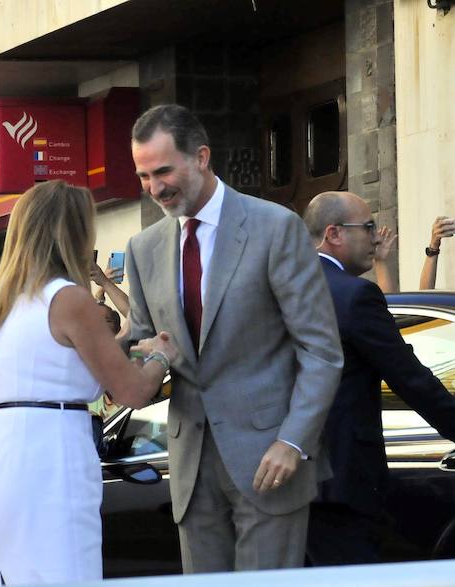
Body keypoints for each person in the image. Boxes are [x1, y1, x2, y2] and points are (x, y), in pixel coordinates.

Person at [125, 104, 343, 573]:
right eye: (143, 176)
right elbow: (145, 346)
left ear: (201, 156)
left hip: (270, 457)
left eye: (163, 171)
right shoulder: (144, 249)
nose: (154, 188)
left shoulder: (274, 227)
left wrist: (294, 441)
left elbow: (321, 351)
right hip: (188, 461)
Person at [0, 180, 178, 585]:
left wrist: (123, 354)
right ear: (73, 232)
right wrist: (160, 356)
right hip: (53, 452)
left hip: (0, 455)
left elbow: (54, 368)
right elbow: (134, 392)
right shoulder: (68, 298)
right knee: (65, 570)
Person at [303, 191, 455, 565]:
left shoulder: (280, 288)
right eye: (368, 227)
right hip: (341, 483)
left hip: (282, 482)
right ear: (334, 233)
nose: (374, 237)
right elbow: (410, 378)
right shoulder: (355, 296)